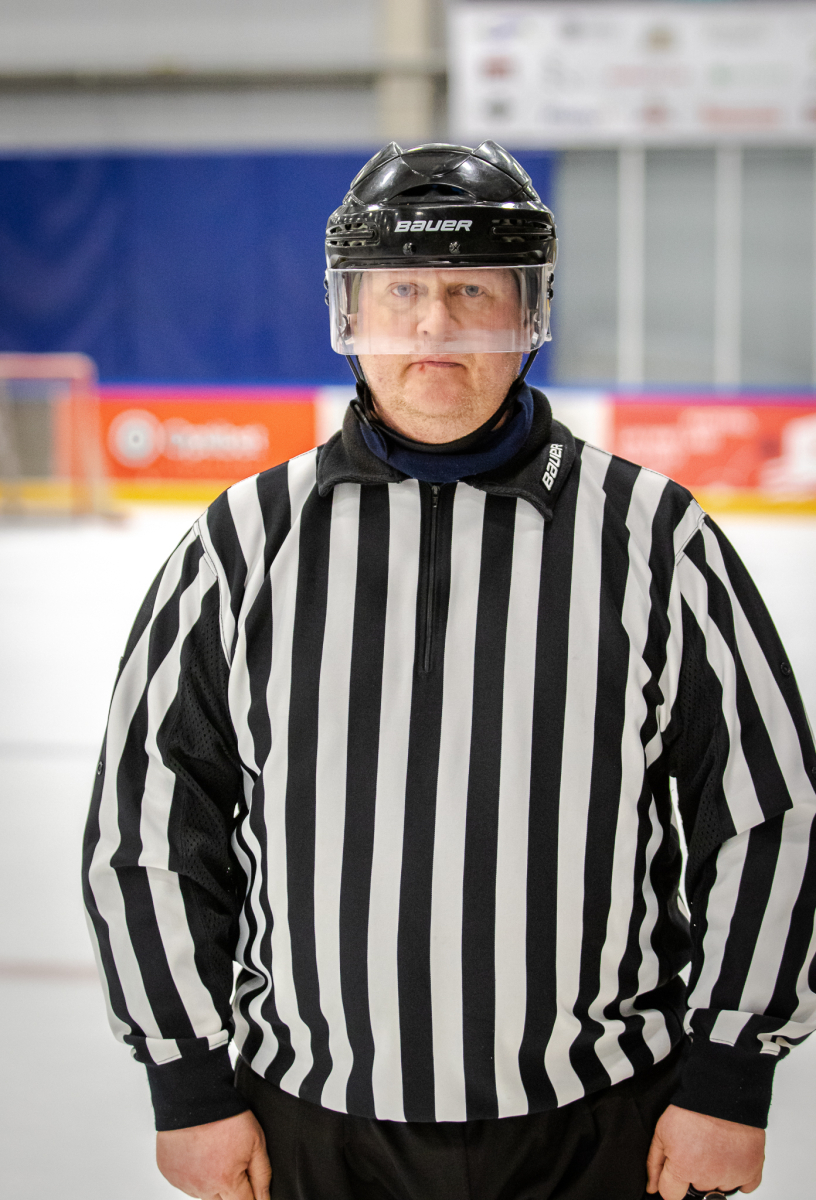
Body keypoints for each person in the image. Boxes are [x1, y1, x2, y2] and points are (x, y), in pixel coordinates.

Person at [83, 142, 816, 1200]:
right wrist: (188, 1084)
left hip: (602, 1121)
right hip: (315, 1127)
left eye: (472, 291)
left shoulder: (655, 538)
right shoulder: (244, 543)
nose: (433, 327)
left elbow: (769, 817)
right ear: (349, 311)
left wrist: (732, 1078)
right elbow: (149, 827)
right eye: (401, 292)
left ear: (529, 313)